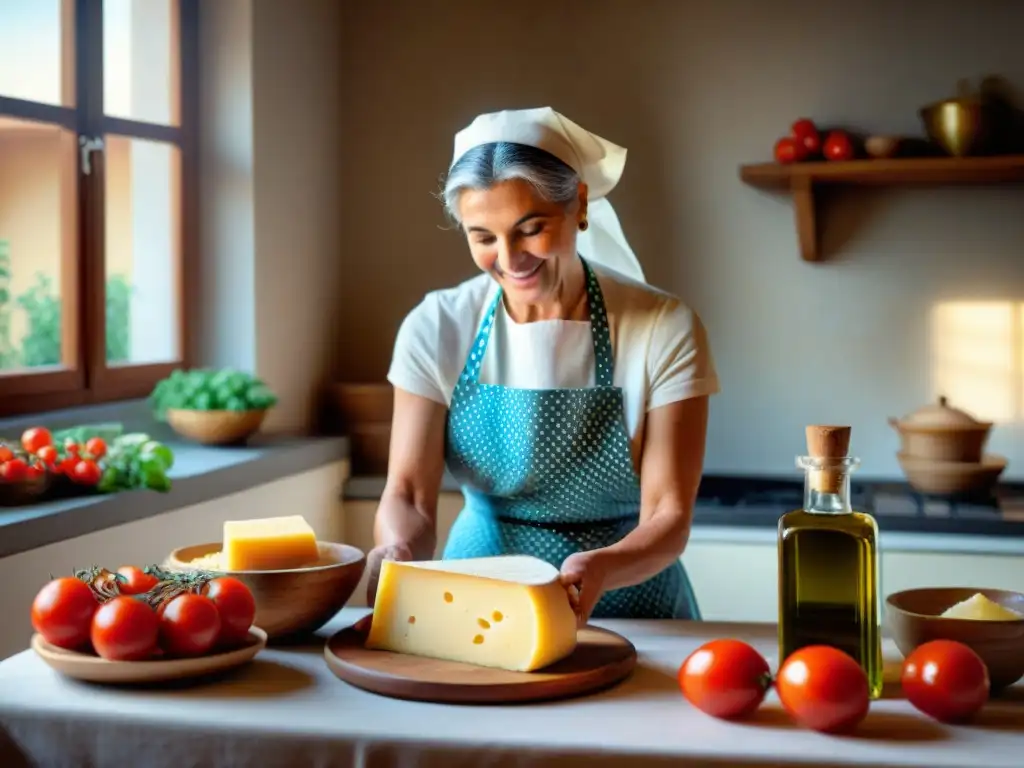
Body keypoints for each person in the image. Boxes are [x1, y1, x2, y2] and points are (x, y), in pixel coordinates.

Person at [362, 107, 720, 624]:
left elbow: (668, 515)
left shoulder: (663, 327)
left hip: (632, 604)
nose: (509, 260)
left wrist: (601, 566)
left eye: (530, 229)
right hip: (480, 601)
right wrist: (396, 548)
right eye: (483, 237)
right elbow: (410, 496)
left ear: (578, 203)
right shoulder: (436, 326)